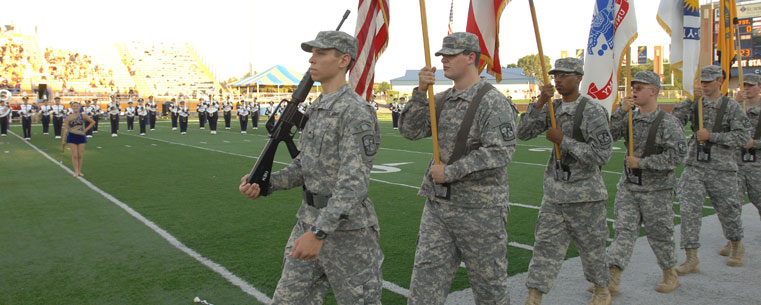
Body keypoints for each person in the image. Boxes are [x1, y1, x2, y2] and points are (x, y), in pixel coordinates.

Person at [238, 31, 383, 305]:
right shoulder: (317, 108)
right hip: (308, 221)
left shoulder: (356, 112)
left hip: (348, 233)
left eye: (321, 53)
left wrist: (319, 232)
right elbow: (304, 165)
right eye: (311, 53)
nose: (311, 59)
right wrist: (266, 182)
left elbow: (353, 184)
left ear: (343, 61)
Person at [399, 32, 515, 305]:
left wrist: (450, 172)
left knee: (489, 289)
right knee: (425, 285)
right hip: (439, 207)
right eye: (442, 55)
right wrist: (419, 93)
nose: (444, 60)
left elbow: (501, 152)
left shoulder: (492, 102)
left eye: (451, 55)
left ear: (471, 57)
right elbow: (409, 131)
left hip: (480, 211)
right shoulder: (440, 99)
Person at [516, 58, 613, 305]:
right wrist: (539, 103)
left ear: (579, 77)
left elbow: (602, 155)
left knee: (592, 248)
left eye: (563, 75)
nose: (557, 80)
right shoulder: (553, 108)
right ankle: (534, 294)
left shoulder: (593, 111)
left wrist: (564, 141)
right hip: (555, 193)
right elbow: (523, 134)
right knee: (545, 245)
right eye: (555, 75)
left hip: (585, 196)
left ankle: (601, 290)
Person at [604, 71, 686, 296]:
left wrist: (642, 162)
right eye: (633, 88)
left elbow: (677, 157)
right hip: (630, 187)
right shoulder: (630, 117)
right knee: (623, 231)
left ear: (654, 91)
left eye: (640, 88)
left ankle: (670, 273)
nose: (634, 91)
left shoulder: (668, 123)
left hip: (656, 190)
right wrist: (621, 112)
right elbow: (606, 137)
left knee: (660, 234)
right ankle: (613, 278)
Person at [671, 65, 750, 272]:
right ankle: (691, 258)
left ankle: (735, 245)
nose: (704, 85)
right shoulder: (695, 104)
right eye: (702, 81)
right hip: (695, 165)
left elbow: (742, 137)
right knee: (688, 210)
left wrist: (712, 137)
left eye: (708, 81)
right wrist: (690, 100)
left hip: (722, 168)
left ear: (719, 81)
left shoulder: (732, 107)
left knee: (728, 211)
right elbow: (673, 124)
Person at [734, 73, 761, 223]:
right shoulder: (735, 106)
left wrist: (754, 143)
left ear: (760, 87)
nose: (747, 88)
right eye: (744, 85)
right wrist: (736, 104)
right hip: (736, 162)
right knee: (732, 204)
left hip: (758, 164)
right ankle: (734, 242)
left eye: (751, 85)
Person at [62, 101, 95, 177]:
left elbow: (92, 122)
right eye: (74, 106)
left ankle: (79, 171)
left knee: (80, 155)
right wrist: (63, 140)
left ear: (79, 107)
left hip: (81, 136)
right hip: (72, 136)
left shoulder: (82, 116)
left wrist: (85, 130)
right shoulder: (68, 117)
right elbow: (66, 129)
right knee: (75, 155)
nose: (75, 107)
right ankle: (76, 171)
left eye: (77, 106)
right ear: (71, 107)